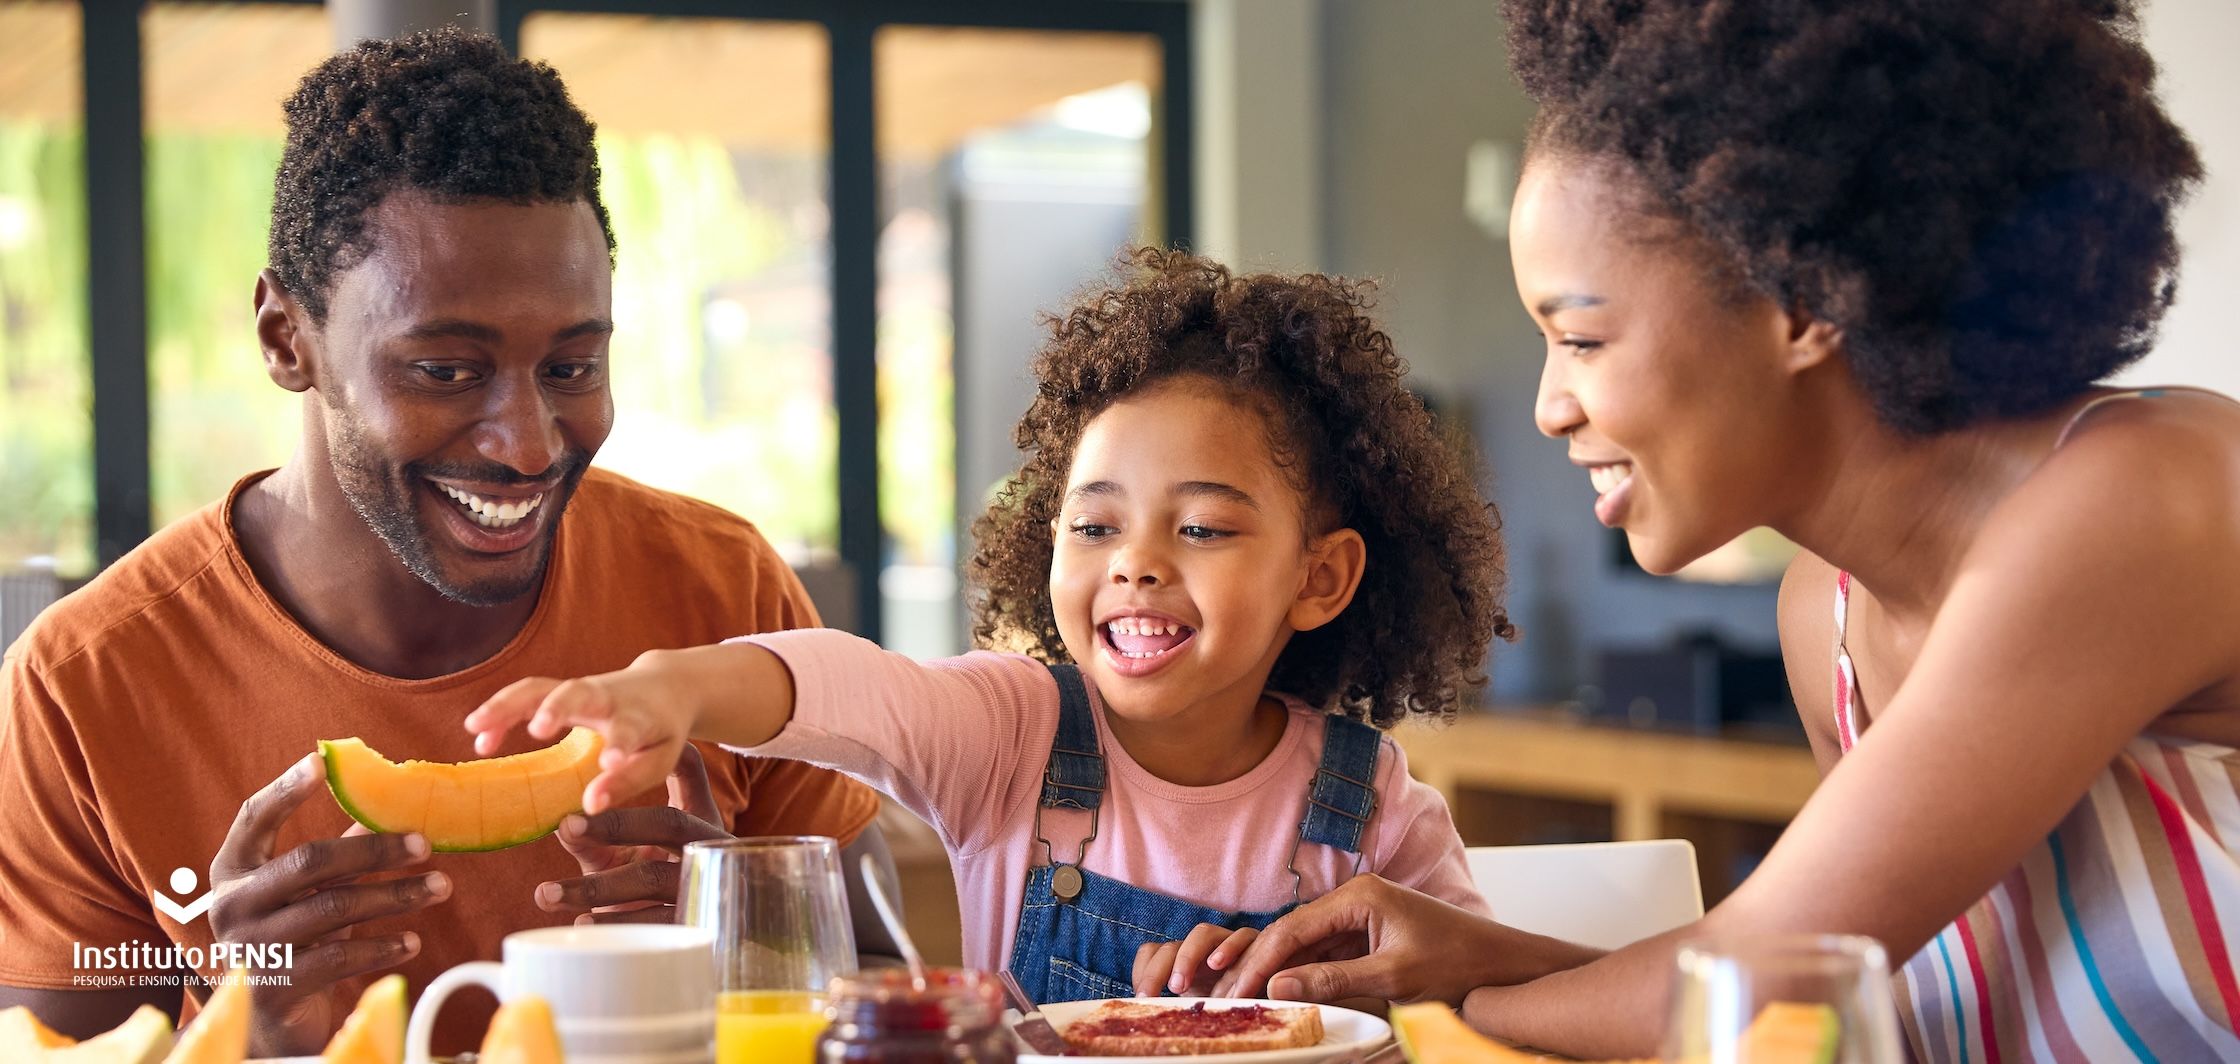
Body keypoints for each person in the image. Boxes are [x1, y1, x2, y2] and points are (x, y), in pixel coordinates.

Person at [1195, 0, 2240, 1058]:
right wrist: (1474, 954)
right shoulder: (1821, 620)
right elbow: (1795, 986)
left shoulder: (2147, 494)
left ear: (1798, 300)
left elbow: (1746, 971)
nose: (1550, 405)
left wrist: (1378, 1023)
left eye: (1582, 337)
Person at [0, 29, 894, 1058]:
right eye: (444, 370)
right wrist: (253, 1028)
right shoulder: (85, 685)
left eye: (570, 367)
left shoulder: (722, 590)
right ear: (288, 339)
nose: (526, 444)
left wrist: (751, 949)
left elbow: (908, 995)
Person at [462, 249, 1515, 1005]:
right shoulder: (1013, 732)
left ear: (1319, 576)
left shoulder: (1367, 801)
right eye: (1094, 522)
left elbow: (1476, 999)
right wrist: (676, 687)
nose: (1134, 560)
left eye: (1198, 525)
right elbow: (847, 685)